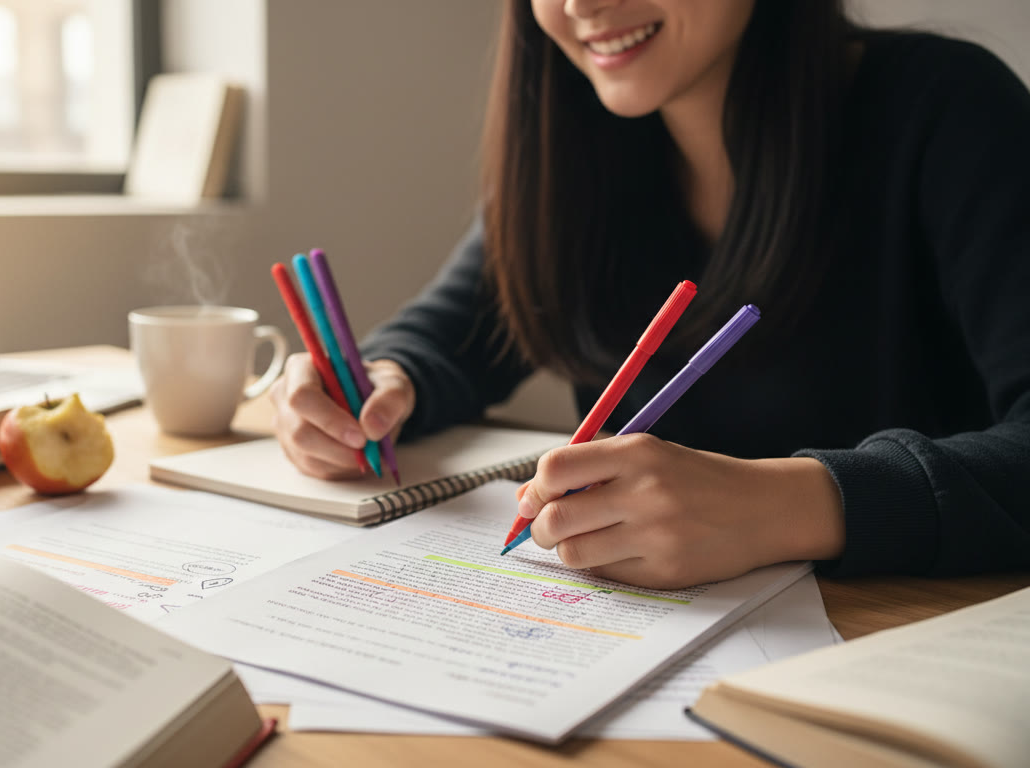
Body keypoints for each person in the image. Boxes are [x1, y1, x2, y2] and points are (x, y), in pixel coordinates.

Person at [268, 0, 1030, 588]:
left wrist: (788, 504)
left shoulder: (948, 109)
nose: (582, 3)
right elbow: (447, 341)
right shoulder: (581, 141)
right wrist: (376, 385)